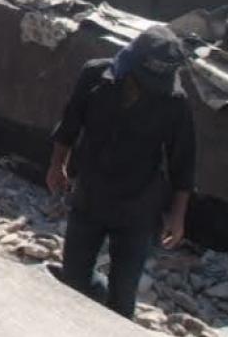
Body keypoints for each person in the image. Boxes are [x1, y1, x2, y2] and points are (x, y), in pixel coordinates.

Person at [47, 24, 196, 319]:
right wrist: (56, 165)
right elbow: (70, 124)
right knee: (74, 280)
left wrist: (177, 217)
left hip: (137, 208)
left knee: (123, 296)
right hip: (90, 194)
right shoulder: (95, 76)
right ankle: (93, 298)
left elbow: (184, 162)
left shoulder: (174, 102)